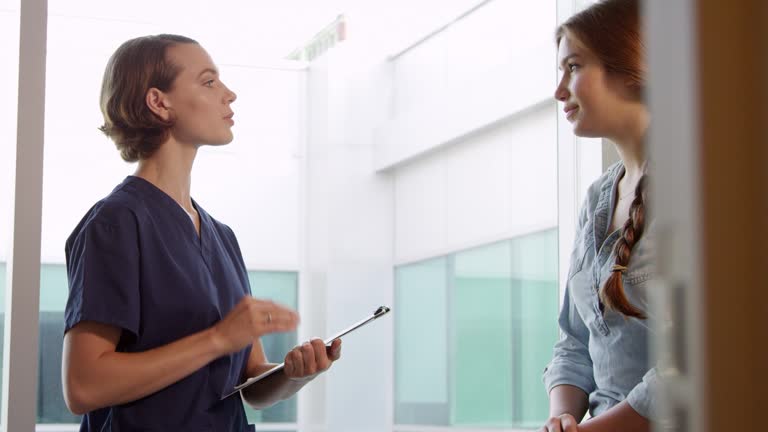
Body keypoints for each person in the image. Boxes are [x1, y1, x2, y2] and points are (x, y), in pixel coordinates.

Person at [62, 34, 341, 431]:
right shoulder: (115, 223)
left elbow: (249, 383)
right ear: (159, 102)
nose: (230, 95)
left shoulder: (222, 236)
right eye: (209, 82)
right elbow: (84, 386)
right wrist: (217, 339)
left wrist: (295, 373)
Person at [541, 1, 656, 431]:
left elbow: (694, 365)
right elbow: (573, 340)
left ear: (630, 66)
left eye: (572, 67)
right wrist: (562, 418)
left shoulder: (699, 191)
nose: (559, 91)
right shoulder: (596, 199)